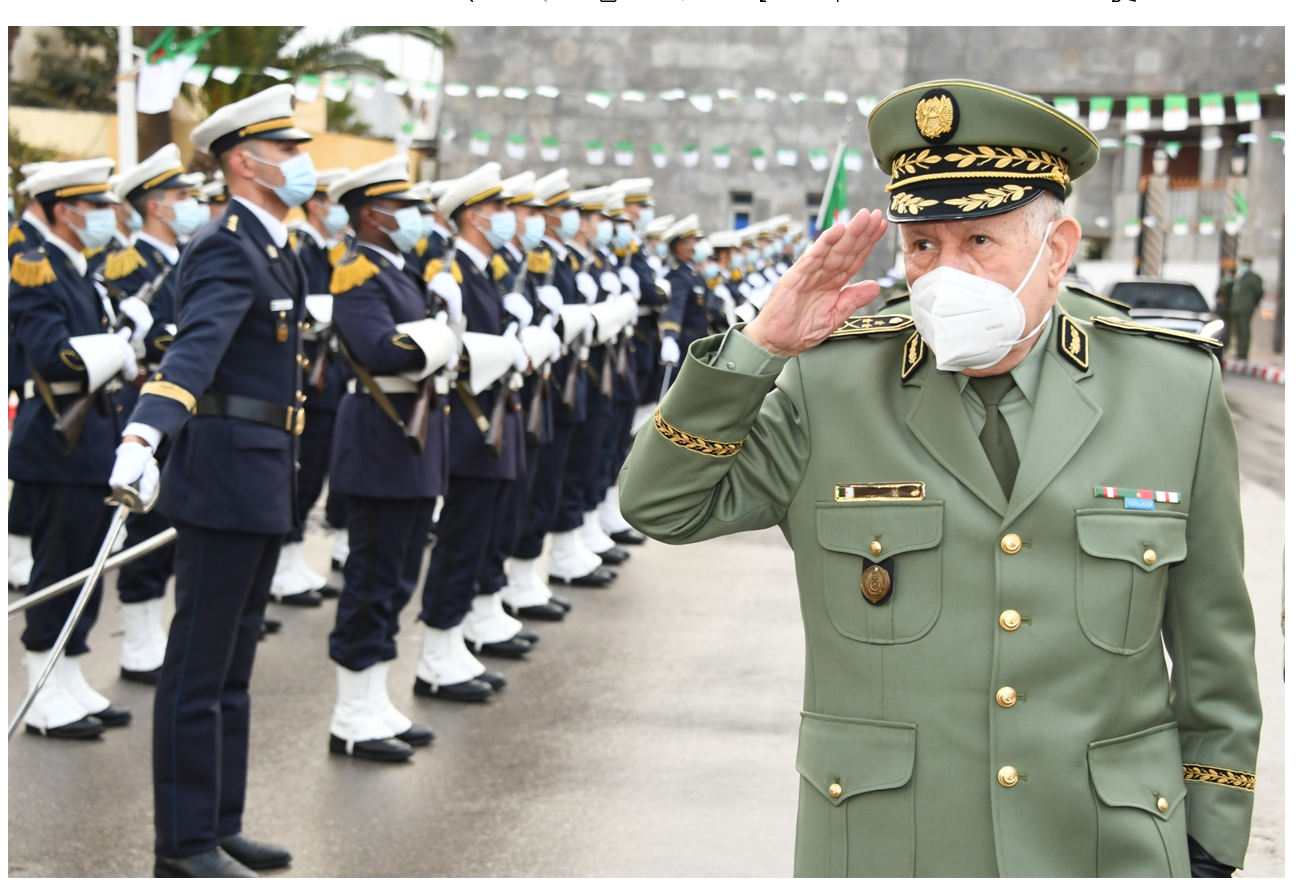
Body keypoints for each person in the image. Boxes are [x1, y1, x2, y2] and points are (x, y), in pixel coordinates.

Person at [619, 79, 1261, 877]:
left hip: (1104, 848)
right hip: (891, 847)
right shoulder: (831, 384)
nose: (943, 273)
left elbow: (1214, 652)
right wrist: (758, 350)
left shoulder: (1170, 389)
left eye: (979, 242)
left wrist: (1208, 846)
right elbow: (661, 506)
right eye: (923, 246)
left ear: (1056, 249)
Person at [108, 83, 312, 877]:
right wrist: (143, 432)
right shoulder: (229, 243)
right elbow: (191, 351)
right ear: (242, 160)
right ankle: (183, 843)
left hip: (260, 473)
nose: (302, 162)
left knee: (231, 668)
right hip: (226, 473)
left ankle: (220, 824)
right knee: (197, 667)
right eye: (288, 150)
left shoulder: (274, 243)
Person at [323, 157, 459, 761]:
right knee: (372, 574)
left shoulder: (398, 270)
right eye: (402, 208)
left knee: (400, 572)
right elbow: (380, 351)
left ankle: (375, 698)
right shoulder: (356, 273)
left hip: (411, 437)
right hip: (381, 435)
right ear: (373, 215)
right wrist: (439, 336)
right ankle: (351, 713)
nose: (414, 218)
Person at [10, 157, 141, 740]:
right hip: (58, 441)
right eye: (97, 207)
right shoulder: (33, 268)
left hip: (93, 439)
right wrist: (115, 349)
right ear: (64, 211)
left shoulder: (77, 268)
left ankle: (70, 673)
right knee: (58, 568)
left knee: (88, 567)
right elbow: (52, 358)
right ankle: (40, 688)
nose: (109, 217)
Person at [413, 161, 528, 701]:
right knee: (460, 539)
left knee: (484, 532)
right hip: (466, 424)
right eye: (501, 209)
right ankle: (435, 651)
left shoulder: (487, 274)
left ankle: (454, 638)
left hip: (495, 417)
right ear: (475, 216)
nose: (510, 218)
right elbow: (444, 352)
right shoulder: (450, 275)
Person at [106, 143, 208, 684]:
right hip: (147, 404)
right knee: (144, 531)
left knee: (174, 524)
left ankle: (155, 630)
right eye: (178, 195)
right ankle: (138, 639)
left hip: (186, 412)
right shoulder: (130, 264)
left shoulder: (190, 256)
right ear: (153, 205)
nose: (189, 204)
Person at [270, 166, 351, 604]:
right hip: (307, 380)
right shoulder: (300, 246)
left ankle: (295, 559)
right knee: (300, 476)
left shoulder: (329, 249)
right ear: (317, 205)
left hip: (329, 378)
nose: (342, 213)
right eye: (336, 203)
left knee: (315, 473)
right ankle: (282, 566)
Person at [656, 214, 710, 386]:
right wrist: (670, 336)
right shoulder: (679, 276)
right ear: (681, 246)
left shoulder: (693, 274)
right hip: (684, 345)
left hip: (696, 344)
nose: (698, 245)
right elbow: (675, 307)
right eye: (694, 240)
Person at [1229, 255, 1264, 360]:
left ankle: (1243, 354)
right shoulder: (1241, 277)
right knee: (1238, 331)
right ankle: (1239, 352)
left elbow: (1259, 292)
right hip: (1236, 309)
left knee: (1244, 331)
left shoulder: (1253, 278)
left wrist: (1253, 303)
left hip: (1245, 309)